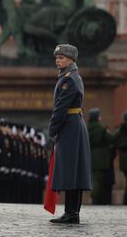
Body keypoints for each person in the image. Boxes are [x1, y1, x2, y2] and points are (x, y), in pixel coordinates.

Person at [48, 44, 92, 224]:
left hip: (69, 125)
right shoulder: (72, 76)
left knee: (70, 170)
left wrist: (52, 129)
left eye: (62, 58)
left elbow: (60, 108)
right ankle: (72, 212)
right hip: (74, 125)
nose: (58, 60)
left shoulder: (68, 80)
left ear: (71, 60)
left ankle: (71, 212)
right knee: (74, 170)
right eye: (57, 58)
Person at [87, 108, 113, 205]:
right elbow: (111, 139)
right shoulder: (102, 128)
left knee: (94, 178)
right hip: (100, 157)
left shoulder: (87, 127)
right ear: (98, 116)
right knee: (98, 179)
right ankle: (94, 198)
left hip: (89, 155)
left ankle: (96, 198)